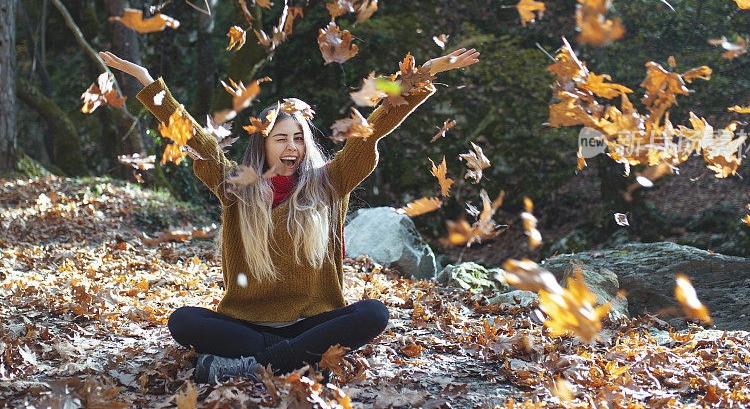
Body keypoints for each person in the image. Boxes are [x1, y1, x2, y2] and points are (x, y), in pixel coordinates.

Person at [99, 48, 480, 383]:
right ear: (262, 145)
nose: (292, 147)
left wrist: (422, 74)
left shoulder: (330, 182)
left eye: (299, 138)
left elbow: (370, 130)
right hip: (247, 322)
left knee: (374, 314)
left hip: (313, 319)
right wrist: (146, 81)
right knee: (183, 321)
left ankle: (255, 365)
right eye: (281, 138)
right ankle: (295, 356)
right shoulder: (235, 185)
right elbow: (192, 136)